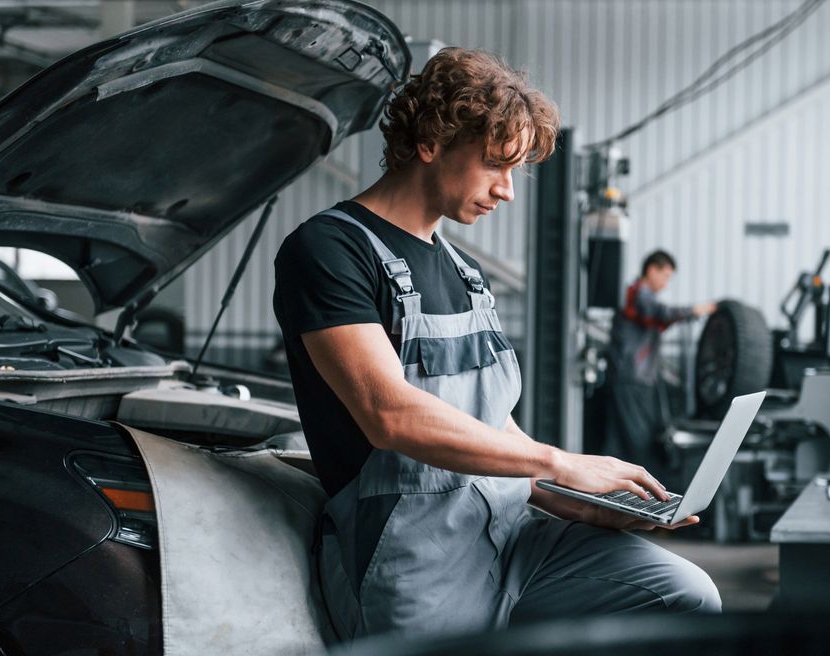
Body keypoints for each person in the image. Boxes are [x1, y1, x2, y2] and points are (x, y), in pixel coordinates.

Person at [272, 47, 720, 640]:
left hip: (514, 534)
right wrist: (561, 461)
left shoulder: (465, 272)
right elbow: (389, 414)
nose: (507, 191)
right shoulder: (331, 250)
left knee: (686, 595)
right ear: (430, 142)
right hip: (414, 560)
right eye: (494, 164)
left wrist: (584, 502)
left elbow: (491, 427)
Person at [604, 250, 717, 471]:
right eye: (665, 276)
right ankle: (635, 495)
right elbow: (661, 313)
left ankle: (614, 493)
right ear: (651, 270)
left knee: (623, 440)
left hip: (634, 379)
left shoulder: (639, 299)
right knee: (637, 441)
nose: (666, 284)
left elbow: (659, 319)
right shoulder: (636, 295)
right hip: (631, 380)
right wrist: (696, 310)